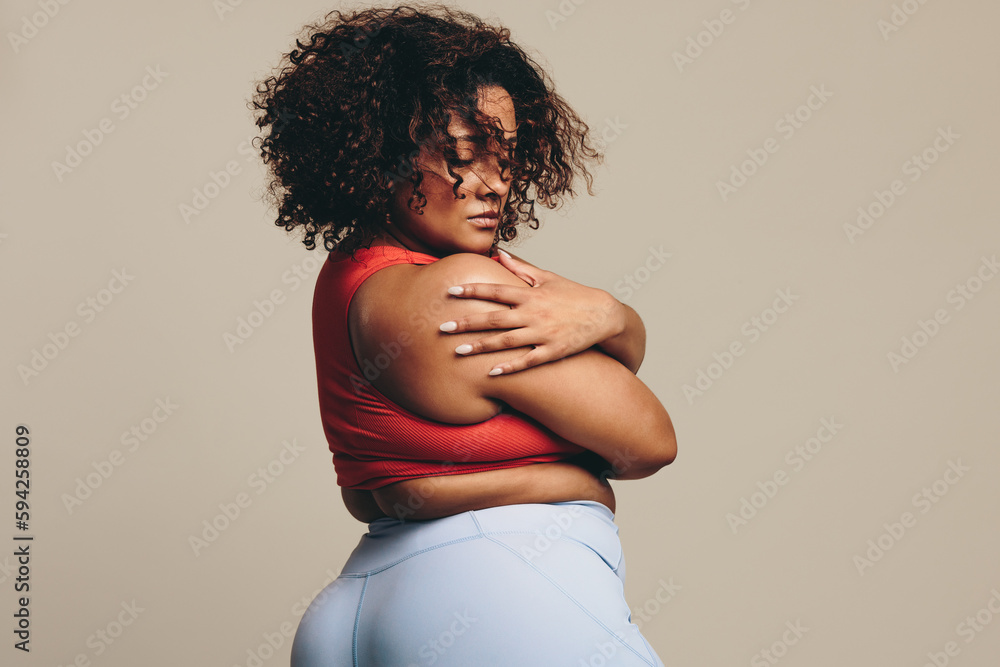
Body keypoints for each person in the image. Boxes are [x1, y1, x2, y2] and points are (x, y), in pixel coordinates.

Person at [251, 5, 677, 665]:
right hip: (498, 589)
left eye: (505, 154)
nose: (492, 182)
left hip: (367, 598)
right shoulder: (458, 289)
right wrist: (579, 476)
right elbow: (649, 437)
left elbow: (377, 490)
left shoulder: (353, 279)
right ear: (386, 154)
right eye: (462, 154)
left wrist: (614, 316)